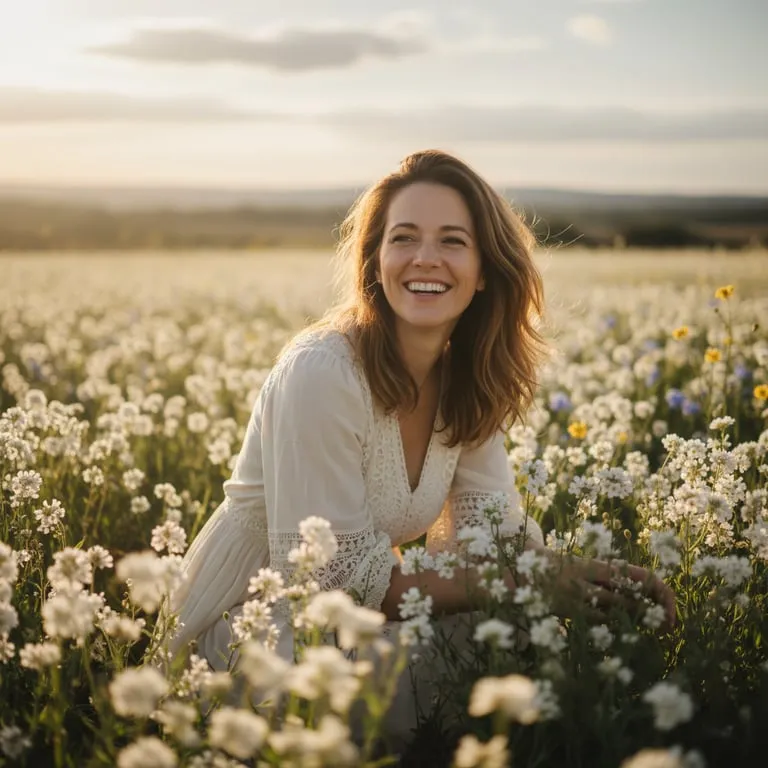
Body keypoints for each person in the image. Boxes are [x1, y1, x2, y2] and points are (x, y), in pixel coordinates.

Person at [166, 149, 675, 740]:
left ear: (484, 270)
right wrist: (528, 584)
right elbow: (333, 586)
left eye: (452, 241)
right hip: (264, 620)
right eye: (403, 238)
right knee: (438, 660)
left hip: (363, 613)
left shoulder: (467, 377)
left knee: (513, 636)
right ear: (375, 262)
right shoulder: (322, 373)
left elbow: (488, 538)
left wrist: (587, 577)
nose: (425, 258)